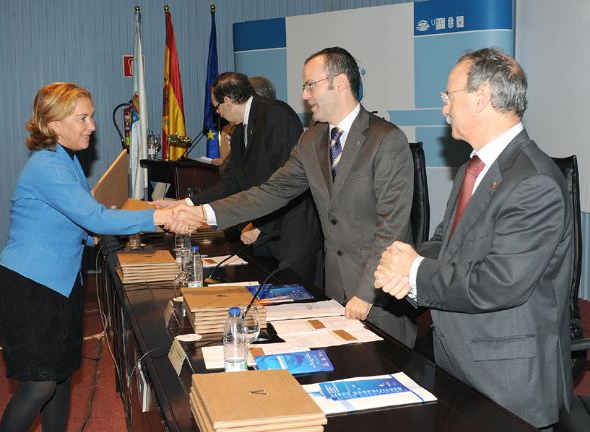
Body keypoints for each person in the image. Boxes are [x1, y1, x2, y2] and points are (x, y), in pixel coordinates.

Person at [374, 48, 573, 429]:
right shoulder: (475, 167)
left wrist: (414, 272)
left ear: (481, 98)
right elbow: (447, 242)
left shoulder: (533, 181)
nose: (444, 108)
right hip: (458, 367)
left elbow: (499, 283)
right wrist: (406, 260)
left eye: (449, 96)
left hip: (507, 384)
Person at [0, 82, 202, 432]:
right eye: (83, 118)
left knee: (59, 378)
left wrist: (140, 213)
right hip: (28, 286)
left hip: (59, 283)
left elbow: (79, 221)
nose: (92, 126)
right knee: (40, 384)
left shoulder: (66, 160)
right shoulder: (47, 167)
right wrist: (160, 216)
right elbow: (95, 218)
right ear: (54, 124)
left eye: (91, 116)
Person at [172, 47, 417, 347]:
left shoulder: (386, 140)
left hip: (380, 296)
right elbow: (271, 192)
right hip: (335, 291)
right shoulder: (311, 140)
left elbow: (391, 227)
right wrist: (203, 213)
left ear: (339, 83)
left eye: (310, 85)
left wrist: (367, 294)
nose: (304, 95)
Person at [154, 72, 324, 287]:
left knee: (301, 299)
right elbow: (230, 184)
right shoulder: (239, 132)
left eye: (217, 108)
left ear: (227, 101)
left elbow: (287, 183)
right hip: (263, 235)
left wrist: (261, 226)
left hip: (292, 235)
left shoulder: (276, 115)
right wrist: (186, 204)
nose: (218, 114)